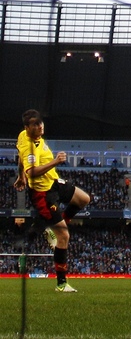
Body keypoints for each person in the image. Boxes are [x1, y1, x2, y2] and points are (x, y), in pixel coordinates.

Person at [14, 109, 91, 292]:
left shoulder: (23, 136)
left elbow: (21, 162)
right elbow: (31, 170)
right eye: (35, 124)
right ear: (27, 128)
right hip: (43, 194)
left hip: (53, 182)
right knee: (65, 236)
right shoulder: (29, 147)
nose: (40, 126)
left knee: (83, 199)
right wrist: (55, 162)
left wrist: (20, 177)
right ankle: (61, 284)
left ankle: (52, 229)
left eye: (41, 122)